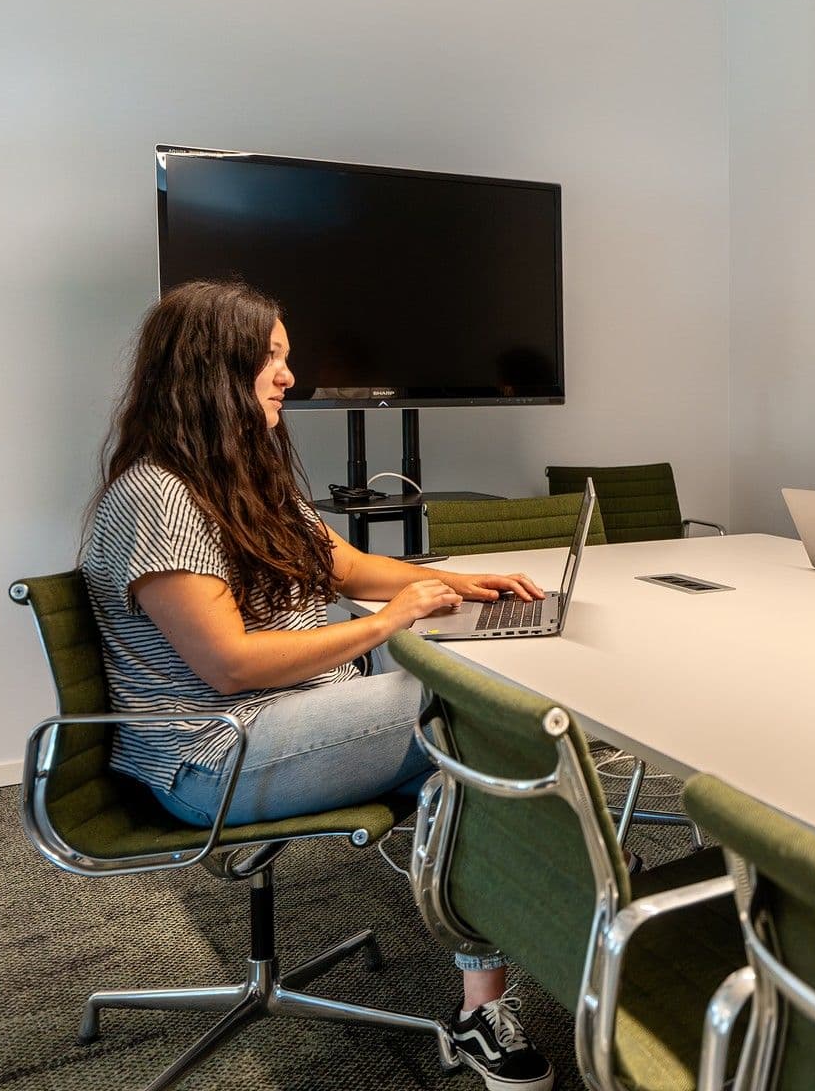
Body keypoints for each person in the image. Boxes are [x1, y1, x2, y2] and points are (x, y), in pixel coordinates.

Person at [80, 280, 553, 1091]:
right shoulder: (158, 494)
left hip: (294, 723)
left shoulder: (241, 478)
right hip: (213, 757)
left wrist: (460, 584)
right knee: (468, 711)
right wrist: (388, 621)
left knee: (472, 752)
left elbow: (343, 564)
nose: (288, 377)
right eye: (271, 358)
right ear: (211, 366)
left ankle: (489, 992)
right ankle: (510, 980)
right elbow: (226, 664)